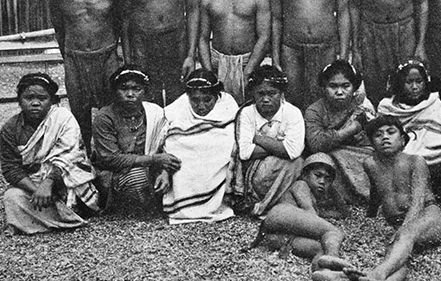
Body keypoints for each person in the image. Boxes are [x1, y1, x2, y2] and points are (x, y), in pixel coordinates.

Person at [344, 115, 441, 281]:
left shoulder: (415, 161)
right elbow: (377, 191)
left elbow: (418, 201)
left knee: (405, 236)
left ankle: (376, 274)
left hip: (428, 215)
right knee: (396, 252)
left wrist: (404, 227)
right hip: (400, 224)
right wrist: (370, 216)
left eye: (391, 132)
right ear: (371, 143)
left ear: (402, 140)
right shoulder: (370, 164)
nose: (385, 137)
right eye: (378, 135)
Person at [0, 72, 101, 234]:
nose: (35, 103)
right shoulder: (10, 128)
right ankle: (61, 218)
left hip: (66, 180)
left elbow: (71, 155)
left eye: (42, 98)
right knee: (12, 197)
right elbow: (11, 168)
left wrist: (48, 183)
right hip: (34, 183)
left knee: (74, 191)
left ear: (52, 101)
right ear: (19, 101)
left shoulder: (63, 118)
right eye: (29, 98)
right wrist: (37, 191)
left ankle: (54, 216)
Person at [48, 0, 123, 150]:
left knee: (110, 110)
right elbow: (60, 30)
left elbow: (118, 25)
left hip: (106, 56)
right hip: (75, 58)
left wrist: (110, 52)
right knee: (80, 114)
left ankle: (110, 156)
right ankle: (83, 158)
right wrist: (72, 56)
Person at [251, 153, 353, 281]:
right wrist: (324, 229)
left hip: (275, 237)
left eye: (328, 179)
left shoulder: (312, 201)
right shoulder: (301, 185)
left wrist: (331, 188)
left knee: (319, 249)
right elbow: (311, 215)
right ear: (305, 175)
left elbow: (345, 213)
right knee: (334, 232)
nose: (322, 182)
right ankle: (333, 259)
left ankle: (323, 271)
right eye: (318, 176)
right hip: (279, 213)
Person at [158, 69, 239, 225]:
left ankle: (214, 203)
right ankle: (186, 205)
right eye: (195, 100)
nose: (201, 106)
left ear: (217, 96)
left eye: (207, 100)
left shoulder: (227, 109)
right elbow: (170, 139)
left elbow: (230, 141)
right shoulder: (180, 107)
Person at [199, 0, 270, 106]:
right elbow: (202, 38)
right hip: (218, 62)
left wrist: (248, 71)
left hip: (248, 62)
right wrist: (209, 72)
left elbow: (264, 37)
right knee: (219, 110)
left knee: (248, 110)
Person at [92, 66, 178, 210]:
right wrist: (154, 160)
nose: (130, 94)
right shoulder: (105, 118)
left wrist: (165, 171)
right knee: (137, 179)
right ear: (114, 91)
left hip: (151, 167)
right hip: (116, 173)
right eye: (123, 89)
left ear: (145, 91)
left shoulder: (154, 112)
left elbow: (166, 146)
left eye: (137, 89)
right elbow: (111, 159)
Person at [232, 65, 306, 216]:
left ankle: (267, 205)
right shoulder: (247, 113)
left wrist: (257, 138)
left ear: (281, 94)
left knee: (296, 162)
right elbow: (245, 153)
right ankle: (268, 203)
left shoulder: (292, 113)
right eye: (260, 94)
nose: (265, 99)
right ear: (253, 93)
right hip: (256, 174)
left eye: (272, 93)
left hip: (284, 173)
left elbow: (293, 151)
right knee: (290, 161)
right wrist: (279, 145)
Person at [304, 60, 376, 205]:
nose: (339, 92)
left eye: (345, 86)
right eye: (333, 86)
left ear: (354, 87)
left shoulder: (362, 104)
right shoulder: (315, 110)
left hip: (360, 153)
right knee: (323, 160)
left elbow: (372, 139)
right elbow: (316, 144)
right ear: (324, 88)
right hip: (332, 156)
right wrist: (353, 128)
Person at [376, 59, 441, 170]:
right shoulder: (388, 107)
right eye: (409, 82)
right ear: (400, 83)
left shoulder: (434, 104)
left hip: (433, 156)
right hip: (399, 156)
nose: (414, 87)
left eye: (419, 81)